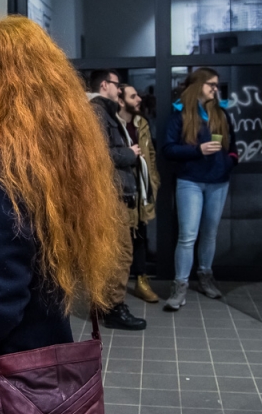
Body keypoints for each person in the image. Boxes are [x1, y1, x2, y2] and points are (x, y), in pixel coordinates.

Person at [0, 16, 122, 414]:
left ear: (11, 81)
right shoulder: (50, 151)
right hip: (42, 344)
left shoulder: (5, 165)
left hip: (3, 368)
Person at [162, 67, 238, 311]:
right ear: (197, 86)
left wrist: (229, 162)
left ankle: (205, 277)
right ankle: (180, 286)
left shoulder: (221, 114)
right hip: (190, 182)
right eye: (211, 85)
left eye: (216, 85)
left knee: (210, 233)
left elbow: (234, 147)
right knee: (187, 236)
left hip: (218, 181)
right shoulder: (180, 116)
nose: (215, 89)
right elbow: (168, 149)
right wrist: (198, 150)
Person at [86, 70, 146, 331]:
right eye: (116, 84)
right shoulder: (98, 112)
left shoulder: (104, 112)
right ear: (104, 85)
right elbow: (98, 154)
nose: (119, 89)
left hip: (113, 192)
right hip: (111, 194)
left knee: (111, 253)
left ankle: (104, 304)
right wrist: (129, 153)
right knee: (121, 252)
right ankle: (113, 308)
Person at [117, 84, 161, 303]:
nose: (139, 99)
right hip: (122, 189)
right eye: (133, 96)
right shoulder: (113, 124)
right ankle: (115, 290)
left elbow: (150, 153)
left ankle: (142, 281)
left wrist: (154, 182)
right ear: (121, 101)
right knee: (121, 240)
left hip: (142, 188)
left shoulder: (141, 122)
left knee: (141, 234)